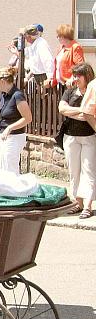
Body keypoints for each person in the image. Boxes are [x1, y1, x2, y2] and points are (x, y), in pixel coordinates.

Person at [58, 63, 96, 219]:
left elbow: (89, 115)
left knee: (88, 170)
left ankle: (88, 205)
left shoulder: (92, 91)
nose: (75, 79)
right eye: (74, 75)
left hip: (88, 136)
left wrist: (74, 112)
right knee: (74, 171)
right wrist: (82, 111)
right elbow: (62, 109)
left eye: (78, 76)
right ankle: (78, 203)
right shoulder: (70, 92)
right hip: (70, 135)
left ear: (86, 75)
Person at [0, 66, 32, 175]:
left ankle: (14, 190)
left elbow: (27, 118)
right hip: (3, 135)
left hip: (14, 136)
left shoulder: (17, 95)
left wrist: (10, 128)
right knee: (4, 167)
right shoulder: (3, 94)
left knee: (10, 169)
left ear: (3, 81)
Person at [45, 24, 85, 90]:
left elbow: (80, 67)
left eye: (59, 35)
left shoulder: (75, 47)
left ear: (65, 36)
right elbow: (57, 66)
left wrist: (72, 78)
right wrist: (52, 78)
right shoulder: (61, 48)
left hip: (70, 85)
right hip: (60, 84)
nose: (57, 37)